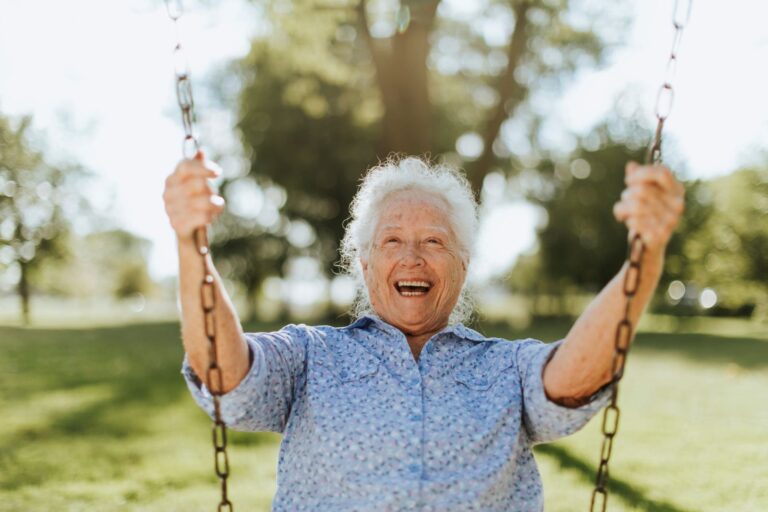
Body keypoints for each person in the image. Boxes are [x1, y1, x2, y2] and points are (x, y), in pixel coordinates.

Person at [162, 154, 685, 511]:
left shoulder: (505, 366)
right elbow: (226, 372)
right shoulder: (311, 357)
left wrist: (646, 256)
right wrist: (192, 245)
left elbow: (573, 377)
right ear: (364, 264)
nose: (412, 256)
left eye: (434, 241)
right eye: (392, 240)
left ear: (463, 263)